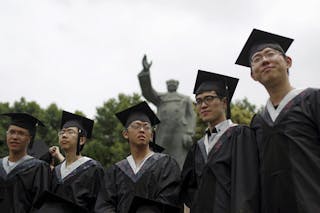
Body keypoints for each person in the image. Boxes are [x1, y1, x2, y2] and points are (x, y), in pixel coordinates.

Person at [235, 28, 320, 212]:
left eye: (270, 54)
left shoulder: (313, 100)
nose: (264, 60)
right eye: (257, 59)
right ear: (253, 75)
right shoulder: (257, 123)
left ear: (288, 62)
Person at [181, 70, 260, 212]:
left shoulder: (241, 136)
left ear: (224, 102)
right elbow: (189, 192)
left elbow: (248, 188)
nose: (203, 105)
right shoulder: (198, 148)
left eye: (209, 98)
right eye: (198, 101)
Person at [95, 101, 182, 213]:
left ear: (151, 135)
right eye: (136, 126)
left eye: (146, 127)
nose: (142, 130)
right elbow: (104, 205)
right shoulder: (115, 171)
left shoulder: (166, 165)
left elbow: (169, 200)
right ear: (125, 134)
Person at [35, 110, 104, 212]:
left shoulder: (94, 169)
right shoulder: (56, 171)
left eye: (70, 132)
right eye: (62, 132)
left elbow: (100, 205)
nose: (64, 135)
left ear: (81, 140)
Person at [138, 55, 196, 168]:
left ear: (177, 85)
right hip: (162, 132)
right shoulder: (161, 98)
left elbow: (191, 116)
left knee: (180, 162)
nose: (171, 85)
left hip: (179, 133)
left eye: (173, 84)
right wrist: (146, 72)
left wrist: (189, 133)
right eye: (169, 84)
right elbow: (148, 92)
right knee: (160, 160)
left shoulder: (185, 99)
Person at [0, 112, 50, 213]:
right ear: (6, 135)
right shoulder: (0, 165)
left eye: (21, 133)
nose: (15, 137)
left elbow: (41, 206)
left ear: (29, 139)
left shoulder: (38, 168)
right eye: (12, 132)